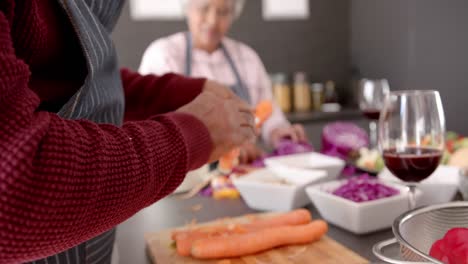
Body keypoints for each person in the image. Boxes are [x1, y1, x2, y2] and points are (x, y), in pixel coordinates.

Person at [0, 0, 256, 263]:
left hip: (93, 245)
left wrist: (180, 94)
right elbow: (13, 190)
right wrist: (193, 134)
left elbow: (81, 83)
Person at [139, 0, 307, 164]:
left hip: (243, 174)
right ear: (187, 7)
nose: (213, 21)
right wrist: (223, 148)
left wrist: (279, 133)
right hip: (185, 179)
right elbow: (156, 132)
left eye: (223, 12)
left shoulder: (247, 58)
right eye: (204, 8)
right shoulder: (163, 55)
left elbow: (269, 113)